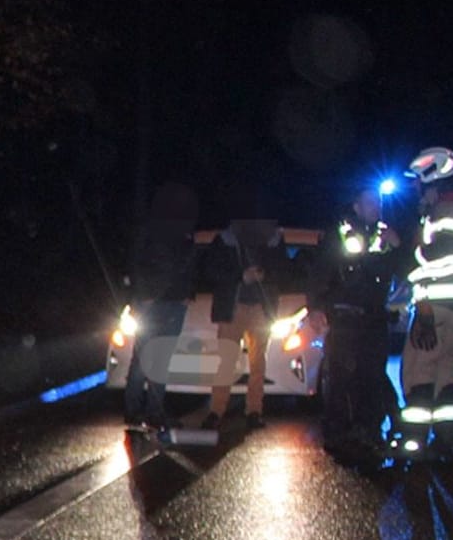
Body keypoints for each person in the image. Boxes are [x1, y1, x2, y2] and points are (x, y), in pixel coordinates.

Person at [308, 185, 401, 463]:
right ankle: (338, 434)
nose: (376, 207)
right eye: (370, 202)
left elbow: (396, 271)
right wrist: (314, 307)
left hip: (374, 317)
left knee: (372, 376)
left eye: (378, 203)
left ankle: (369, 432)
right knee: (341, 378)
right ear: (357, 205)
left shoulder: (384, 234)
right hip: (345, 317)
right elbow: (320, 271)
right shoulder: (340, 233)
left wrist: (396, 247)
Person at [201, 212, 290, 430]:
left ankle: (254, 411)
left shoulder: (274, 239)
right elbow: (210, 270)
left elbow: (283, 269)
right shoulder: (225, 239)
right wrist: (241, 276)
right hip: (233, 305)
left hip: (261, 306)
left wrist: (264, 274)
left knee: (258, 362)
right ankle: (216, 411)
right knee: (226, 361)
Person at [122, 182, 199, 430]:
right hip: (151, 302)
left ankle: (155, 411)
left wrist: (188, 293)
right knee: (143, 356)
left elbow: (189, 264)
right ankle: (133, 409)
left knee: (162, 357)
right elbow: (135, 263)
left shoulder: (186, 231)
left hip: (175, 302)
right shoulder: (148, 229)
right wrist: (143, 295)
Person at [398, 147, 453, 454]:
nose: (415, 189)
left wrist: (415, 247)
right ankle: (447, 441)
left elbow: (435, 257)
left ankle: (414, 442)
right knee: (447, 378)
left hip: (435, 308)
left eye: (418, 182)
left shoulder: (442, 215)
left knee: (418, 374)